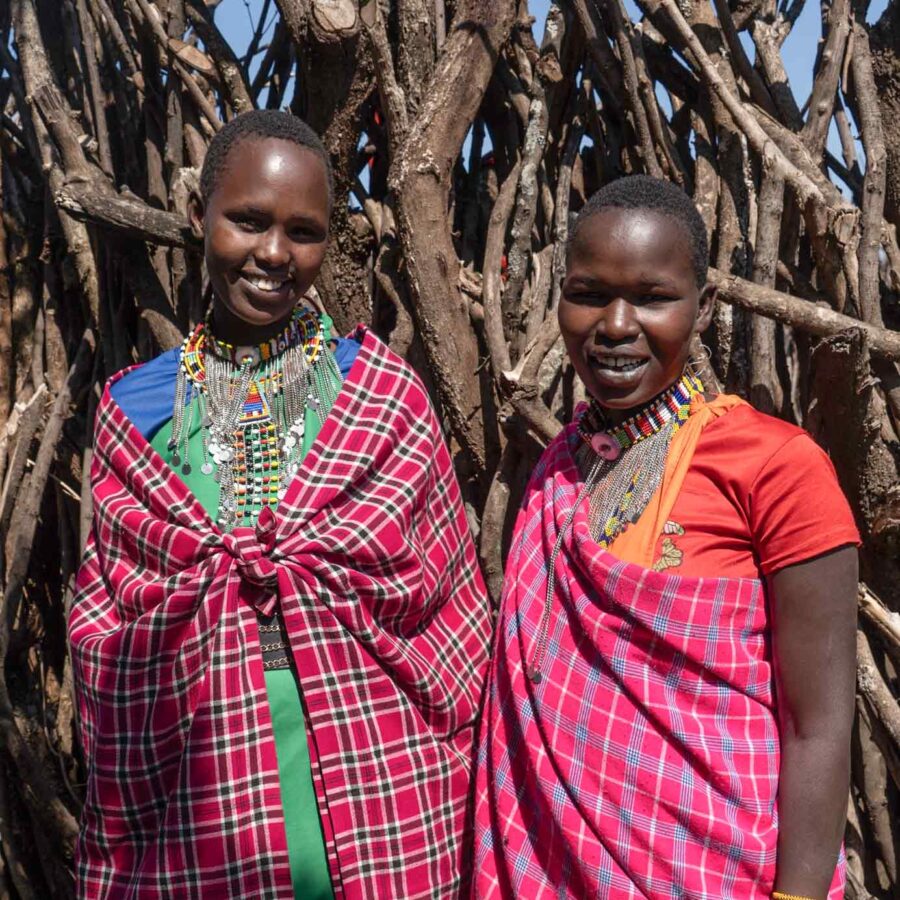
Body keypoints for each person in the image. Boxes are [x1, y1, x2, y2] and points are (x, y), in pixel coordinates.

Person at [69, 109, 491, 899]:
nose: (273, 253)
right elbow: (111, 631)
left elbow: (449, 618)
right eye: (248, 221)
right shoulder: (137, 410)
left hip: (383, 783)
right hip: (193, 802)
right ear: (199, 218)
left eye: (303, 231)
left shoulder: (384, 397)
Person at [473, 175, 859, 900]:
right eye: (588, 294)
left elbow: (819, 728)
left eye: (652, 298)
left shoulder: (777, 468)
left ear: (703, 308)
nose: (615, 325)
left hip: (721, 874)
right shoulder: (562, 469)